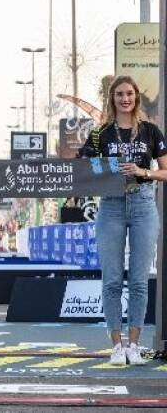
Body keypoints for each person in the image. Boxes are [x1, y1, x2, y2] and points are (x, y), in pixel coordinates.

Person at [78, 75, 166, 366]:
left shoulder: (152, 132)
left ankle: (135, 345)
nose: (125, 98)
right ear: (112, 98)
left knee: (139, 280)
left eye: (129, 93)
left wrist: (144, 172)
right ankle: (116, 346)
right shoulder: (100, 133)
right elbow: (80, 169)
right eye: (119, 94)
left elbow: (165, 171)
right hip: (111, 207)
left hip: (143, 206)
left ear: (136, 97)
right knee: (112, 279)